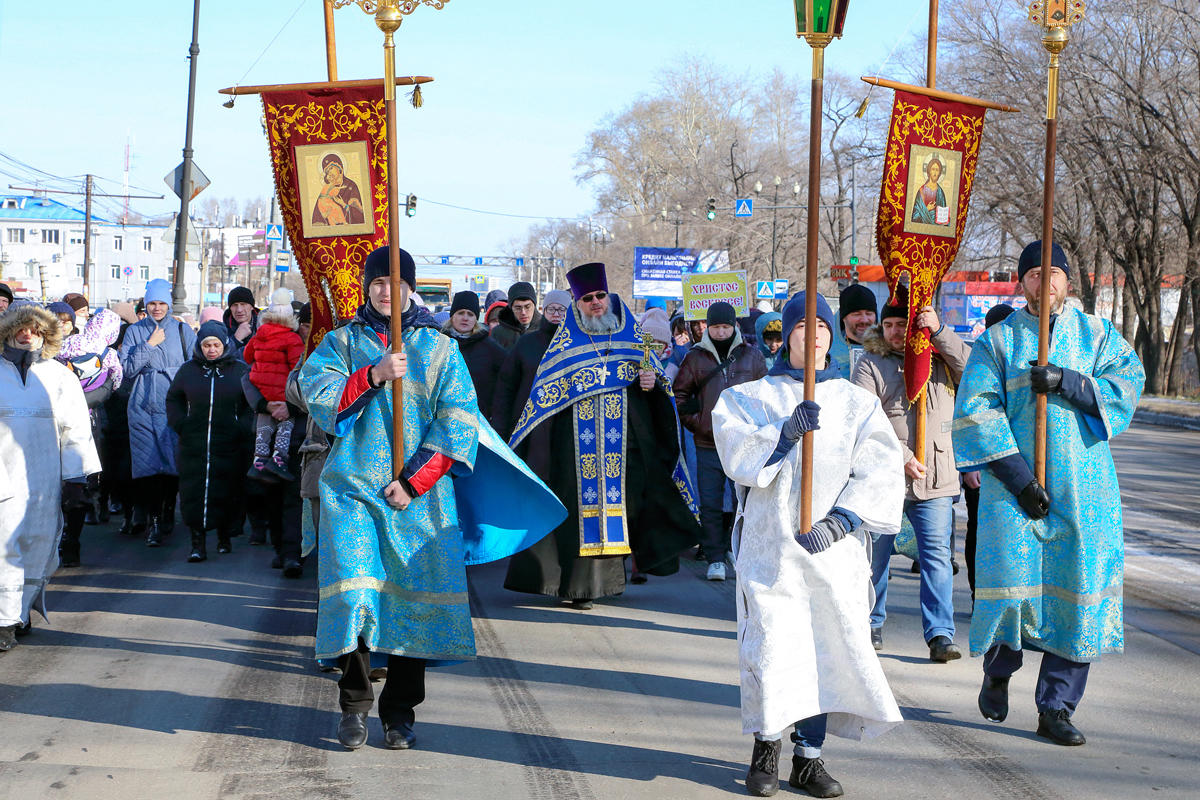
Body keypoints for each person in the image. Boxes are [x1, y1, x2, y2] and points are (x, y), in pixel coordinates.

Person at [298, 245, 563, 750]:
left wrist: (413, 481)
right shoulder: (341, 344)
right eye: (375, 282)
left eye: (393, 282)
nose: (383, 290)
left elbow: (459, 420)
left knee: (408, 607)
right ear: (367, 286)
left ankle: (399, 715)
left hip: (418, 499)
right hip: (351, 492)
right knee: (356, 596)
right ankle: (354, 707)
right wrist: (374, 376)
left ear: (409, 288)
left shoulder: (440, 351)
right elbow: (319, 398)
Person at [712, 291, 904, 798]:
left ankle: (809, 759)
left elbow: (881, 469)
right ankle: (766, 750)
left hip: (831, 553)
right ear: (789, 334)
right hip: (771, 549)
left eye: (821, 326)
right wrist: (784, 432)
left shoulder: (857, 402)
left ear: (831, 336)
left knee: (825, 650)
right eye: (803, 326)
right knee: (774, 648)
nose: (813, 335)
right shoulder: (749, 397)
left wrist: (843, 521)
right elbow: (735, 452)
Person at [953, 241, 1145, 747]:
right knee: (1010, 581)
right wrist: (1019, 478)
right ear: (1022, 283)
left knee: (1078, 588)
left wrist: (1070, 382)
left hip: (1086, 489)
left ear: (1067, 281)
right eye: (1035, 274)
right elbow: (977, 410)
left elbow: (1128, 382)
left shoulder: (1098, 334)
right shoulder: (997, 341)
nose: (1046, 282)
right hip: (1014, 489)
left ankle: (1057, 707)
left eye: (1054, 272)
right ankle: (998, 670)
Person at [502, 262, 700, 609]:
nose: (596, 303)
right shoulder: (563, 345)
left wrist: (650, 385)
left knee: (621, 511)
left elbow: (657, 389)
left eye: (600, 296)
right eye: (588, 298)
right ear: (577, 303)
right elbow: (544, 397)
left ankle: (607, 583)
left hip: (623, 446)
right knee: (577, 512)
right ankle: (577, 588)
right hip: (573, 447)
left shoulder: (633, 338)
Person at [851, 287, 970, 660]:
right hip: (886, 477)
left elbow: (972, 370)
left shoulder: (939, 357)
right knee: (876, 557)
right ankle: (870, 622)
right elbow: (863, 418)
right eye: (887, 324)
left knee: (936, 556)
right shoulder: (870, 363)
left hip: (936, 478)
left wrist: (938, 332)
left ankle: (940, 636)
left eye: (902, 323)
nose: (893, 331)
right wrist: (900, 455)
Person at [1, 304, 101, 651]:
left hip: (44, 478)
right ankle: (4, 620)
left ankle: (22, 610)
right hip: (3, 477)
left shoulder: (60, 377)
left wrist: (77, 479)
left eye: (36, 330)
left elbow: (74, 428)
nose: (27, 335)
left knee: (40, 545)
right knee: (3, 548)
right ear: (9, 331)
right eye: (21, 328)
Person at [673, 302, 767, 582]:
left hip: (744, 444)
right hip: (708, 444)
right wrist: (700, 423)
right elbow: (680, 396)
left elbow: (766, 395)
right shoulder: (695, 358)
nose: (721, 331)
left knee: (745, 502)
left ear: (735, 326)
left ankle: (737, 552)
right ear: (708, 327)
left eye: (726, 326)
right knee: (711, 503)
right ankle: (715, 557)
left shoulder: (751, 356)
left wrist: (756, 428)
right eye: (716, 327)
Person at [165, 320, 253, 562]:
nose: (211, 350)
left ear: (224, 344)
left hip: (229, 443)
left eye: (215, 345)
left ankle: (224, 535)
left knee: (226, 489)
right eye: (206, 345)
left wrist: (241, 427)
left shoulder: (240, 370)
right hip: (194, 443)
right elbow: (173, 399)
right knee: (194, 491)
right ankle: (197, 543)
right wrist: (182, 424)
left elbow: (250, 404)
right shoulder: (188, 370)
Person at [119, 278, 196, 546]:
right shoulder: (135, 332)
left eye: (162, 303)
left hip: (173, 403)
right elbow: (127, 370)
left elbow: (193, 367)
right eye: (152, 303)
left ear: (169, 304)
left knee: (171, 464)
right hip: (141, 404)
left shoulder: (183, 331)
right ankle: (152, 520)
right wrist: (149, 344)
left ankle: (166, 513)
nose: (157, 308)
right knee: (147, 465)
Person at [55, 308, 124, 565]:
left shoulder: (69, 342)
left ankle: (59, 538)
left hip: (58, 415)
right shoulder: (110, 354)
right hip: (88, 418)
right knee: (79, 474)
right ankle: (73, 538)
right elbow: (116, 381)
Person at [962, 303, 1016, 599]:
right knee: (980, 531)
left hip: (1017, 466)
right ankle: (978, 593)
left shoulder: (1026, 362)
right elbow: (966, 417)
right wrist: (970, 466)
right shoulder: (979, 363)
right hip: (983, 466)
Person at [242, 288, 305, 481]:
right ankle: (279, 459)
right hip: (282, 392)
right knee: (285, 425)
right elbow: (298, 367)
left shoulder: (259, 334)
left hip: (262, 390)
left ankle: (259, 460)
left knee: (264, 425)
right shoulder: (292, 338)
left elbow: (247, 356)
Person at [443, 290, 514, 420]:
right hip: (445, 419)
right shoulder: (441, 343)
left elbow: (508, 376)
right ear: (452, 316)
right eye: (460, 313)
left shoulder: (489, 346)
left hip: (480, 420)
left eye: (470, 314)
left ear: (476, 318)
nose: (465, 318)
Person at [829, 284, 877, 376]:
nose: (864, 320)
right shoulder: (828, 346)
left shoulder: (888, 344)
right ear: (843, 318)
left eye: (869, 313)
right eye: (856, 314)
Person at [312, 153, 365, 226]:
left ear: (339, 167)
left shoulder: (351, 186)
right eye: (327, 171)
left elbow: (360, 215)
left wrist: (344, 205)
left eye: (331, 168)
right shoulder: (327, 189)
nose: (329, 172)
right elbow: (317, 217)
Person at [489, 281, 542, 351]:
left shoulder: (546, 329)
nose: (523, 312)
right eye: (518, 308)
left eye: (527, 307)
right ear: (511, 308)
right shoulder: (498, 333)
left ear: (534, 305)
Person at [911, 156, 948, 225]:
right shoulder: (921, 190)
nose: (935, 172)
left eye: (937, 170)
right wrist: (926, 209)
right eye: (933, 169)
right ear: (929, 171)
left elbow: (944, 218)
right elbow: (915, 216)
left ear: (939, 173)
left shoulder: (940, 192)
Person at [223, 286, 259, 355]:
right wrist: (236, 339)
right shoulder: (222, 330)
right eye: (235, 305)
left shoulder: (264, 326)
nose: (239, 310)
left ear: (252, 306)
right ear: (230, 308)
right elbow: (219, 358)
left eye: (243, 304)